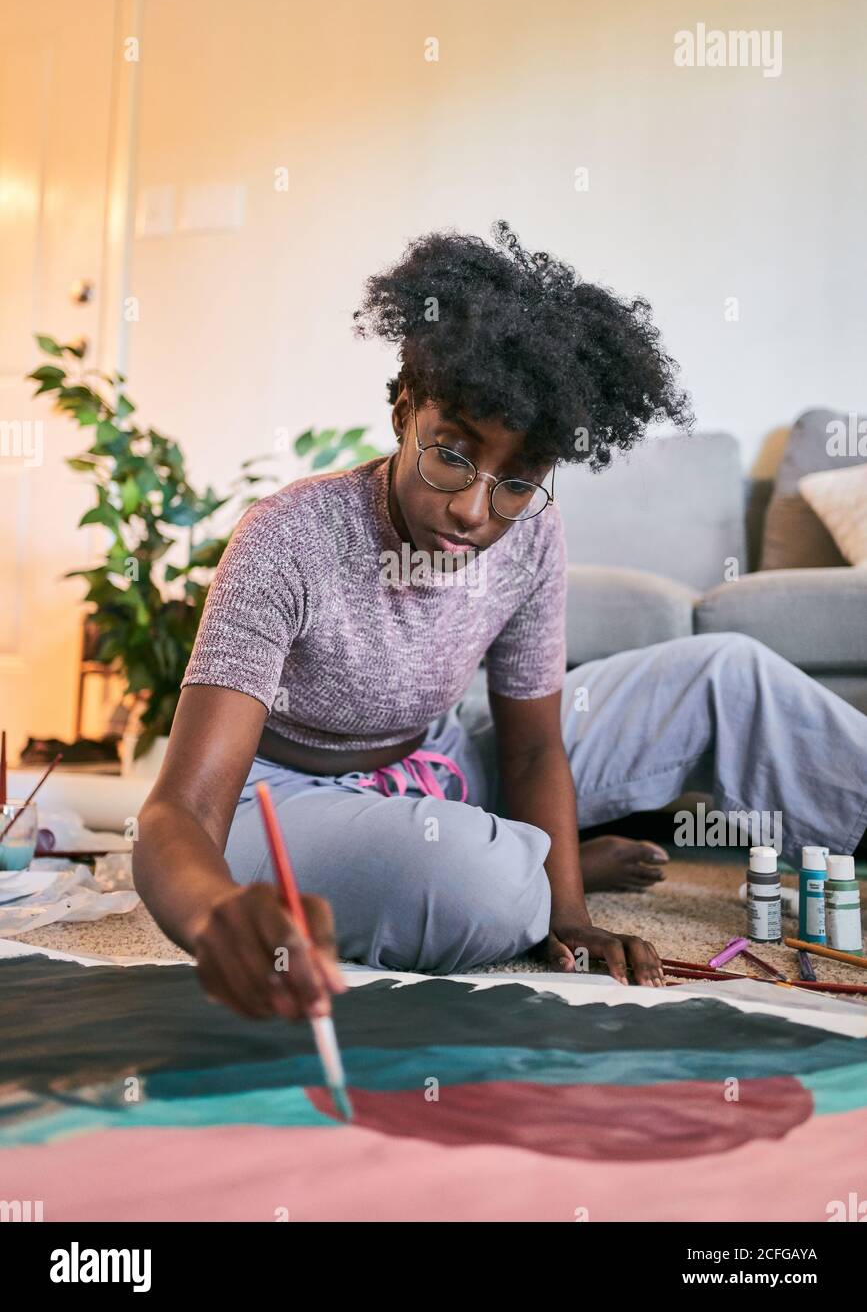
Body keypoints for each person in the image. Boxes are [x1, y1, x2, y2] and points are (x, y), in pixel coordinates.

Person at [133, 221, 867, 1023]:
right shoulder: (286, 536)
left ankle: (535, 860)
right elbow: (181, 811)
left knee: (727, 670)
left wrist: (570, 915)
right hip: (283, 797)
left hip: (443, 753)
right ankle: (535, 861)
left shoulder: (532, 533)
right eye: (450, 453)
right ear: (405, 410)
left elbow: (530, 743)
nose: (473, 511)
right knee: (470, 887)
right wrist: (212, 916)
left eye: (516, 483)